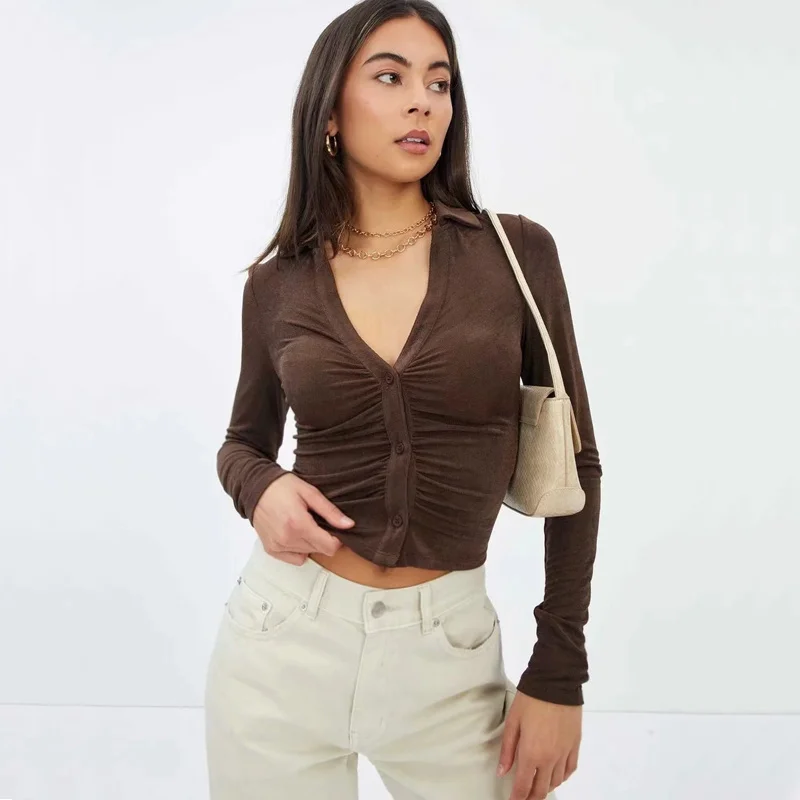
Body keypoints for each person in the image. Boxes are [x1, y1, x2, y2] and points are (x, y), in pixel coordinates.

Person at [204, 1, 603, 799]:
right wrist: (261, 490)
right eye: (390, 77)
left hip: (450, 659)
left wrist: (559, 671)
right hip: (281, 640)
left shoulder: (514, 253)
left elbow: (579, 463)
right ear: (329, 113)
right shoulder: (277, 283)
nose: (423, 101)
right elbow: (242, 444)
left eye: (439, 82)